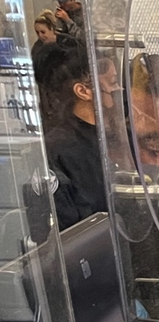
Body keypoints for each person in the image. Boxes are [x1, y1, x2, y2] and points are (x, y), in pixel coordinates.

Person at [40, 43, 119, 227]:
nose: (119, 89)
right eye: (114, 82)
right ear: (83, 91)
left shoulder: (111, 135)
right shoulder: (61, 149)